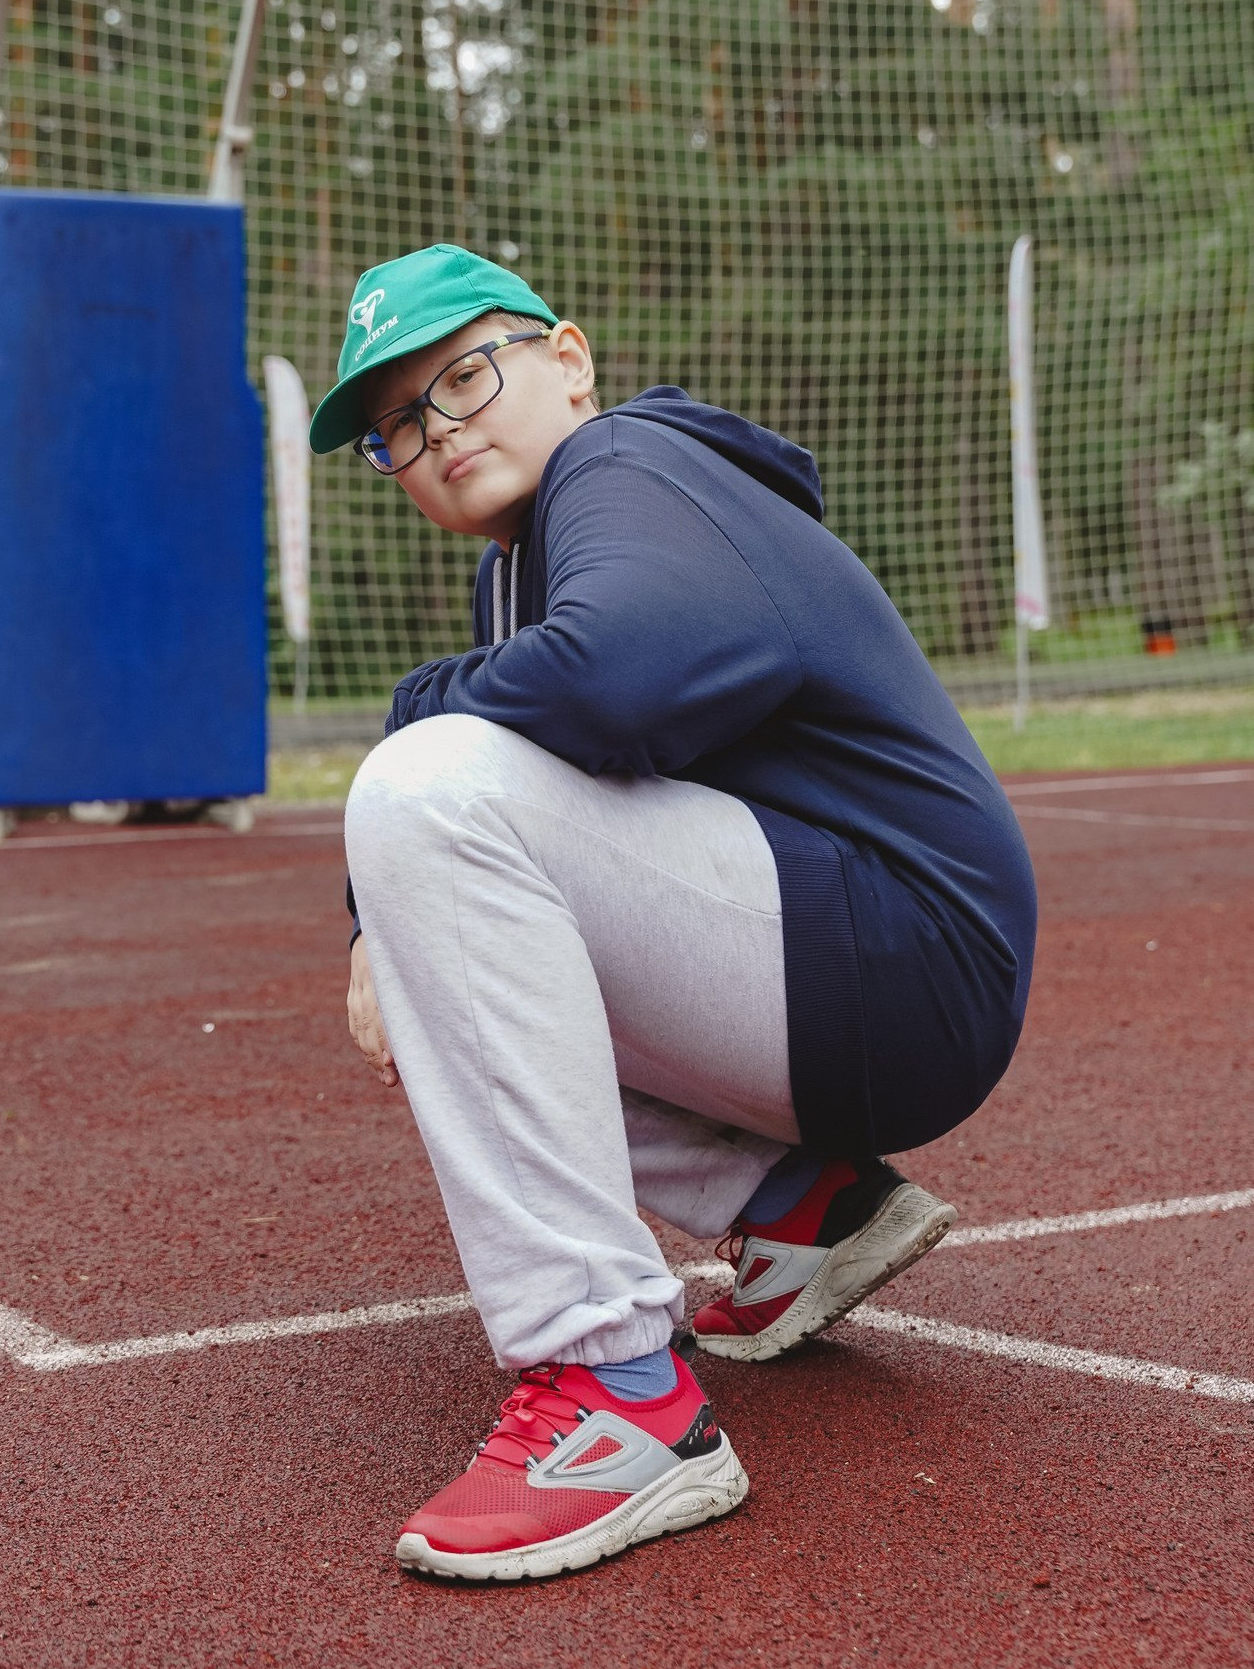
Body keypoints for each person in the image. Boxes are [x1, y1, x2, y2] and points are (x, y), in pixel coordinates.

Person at [311, 245, 1037, 1584]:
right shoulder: (521, 568)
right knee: (438, 932)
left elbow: (622, 674)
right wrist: (378, 917)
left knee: (424, 790)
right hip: (849, 976)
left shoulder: (630, 466)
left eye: (463, 377)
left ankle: (611, 1395)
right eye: (397, 426)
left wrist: (411, 719)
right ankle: (798, 1208)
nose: (437, 431)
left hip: (897, 947)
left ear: (568, 360)